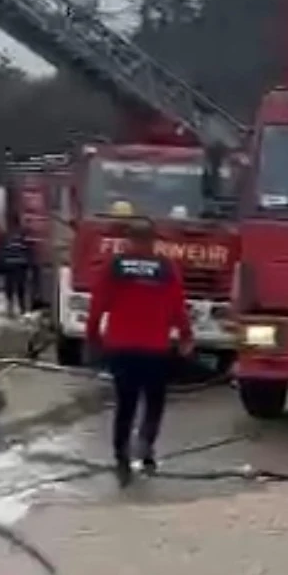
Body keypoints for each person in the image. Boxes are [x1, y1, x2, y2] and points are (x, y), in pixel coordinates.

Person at [85, 205, 193, 487]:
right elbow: (177, 308)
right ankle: (145, 447)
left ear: (129, 240)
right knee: (154, 402)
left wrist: (93, 338)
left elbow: (98, 305)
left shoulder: (115, 266)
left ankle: (121, 456)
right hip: (153, 349)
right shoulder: (166, 269)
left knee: (125, 403)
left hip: (120, 347)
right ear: (153, 241)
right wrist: (185, 337)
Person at [0, 221, 34, 317]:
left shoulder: (7, 239)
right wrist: (29, 265)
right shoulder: (24, 240)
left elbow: (3, 252)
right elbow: (29, 253)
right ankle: (21, 307)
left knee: (10, 286)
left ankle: (10, 306)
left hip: (10, 266)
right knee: (20, 287)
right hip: (20, 266)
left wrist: (3, 264)